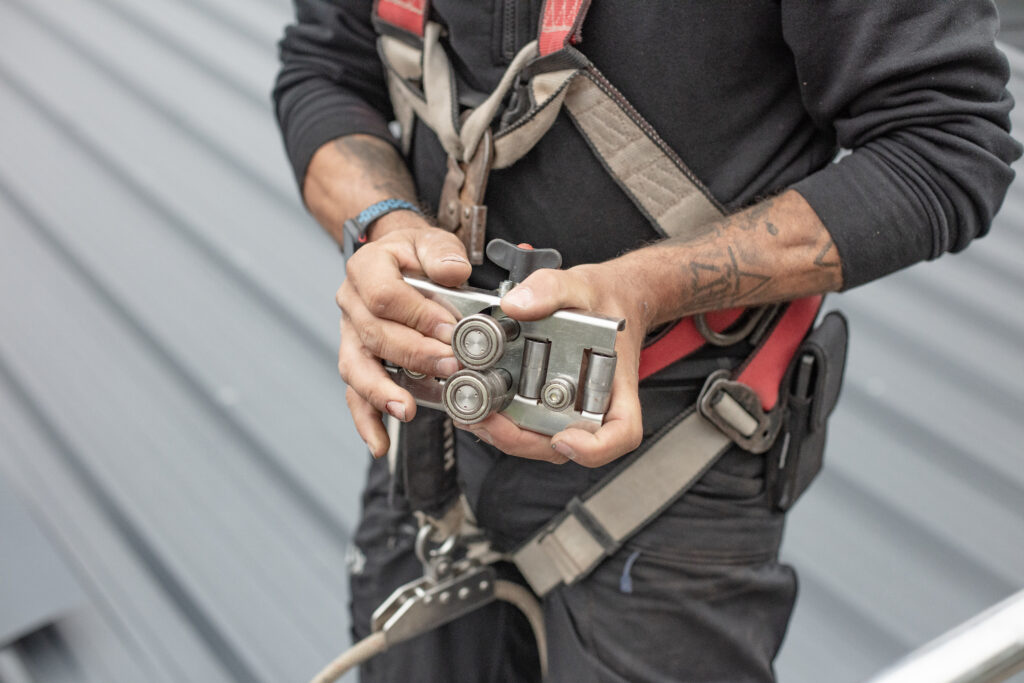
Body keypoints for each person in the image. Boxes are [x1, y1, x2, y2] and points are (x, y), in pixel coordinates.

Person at [274, 2, 1020, 680]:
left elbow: (945, 144)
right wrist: (386, 225)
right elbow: (324, 67)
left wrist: (650, 288)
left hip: (679, 459)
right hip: (431, 423)